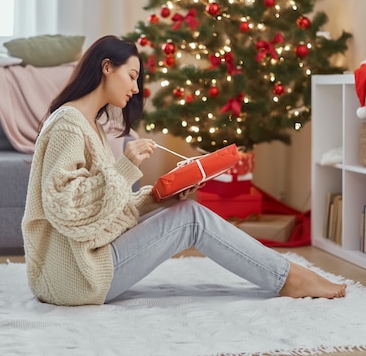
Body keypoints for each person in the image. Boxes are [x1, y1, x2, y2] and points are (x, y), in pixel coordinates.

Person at [21, 35, 347, 306]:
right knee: (191, 218)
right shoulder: (68, 124)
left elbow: (103, 212)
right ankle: (290, 278)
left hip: (85, 260)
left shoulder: (89, 124)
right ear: (106, 67)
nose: (136, 88)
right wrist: (125, 167)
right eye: (132, 75)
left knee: (184, 208)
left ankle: (286, 275)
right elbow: (67, 207)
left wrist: (159, 198)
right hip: (76, 276)